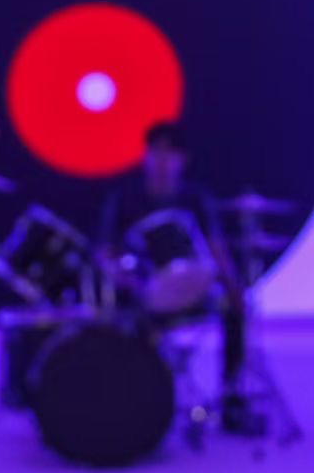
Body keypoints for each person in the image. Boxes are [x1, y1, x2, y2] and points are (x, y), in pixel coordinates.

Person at [95, 122, 263, 437]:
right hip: (144, 294)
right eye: (155, 152)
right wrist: (123, 276)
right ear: (145, 156)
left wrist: (234, 287)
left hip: (196, 289)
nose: (162, 160)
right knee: (127, 322)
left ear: (182, 160)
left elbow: (215, 248)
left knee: (233, 308)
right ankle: (145, 400)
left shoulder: (195, 198)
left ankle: (232, 396)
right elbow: (106, 252)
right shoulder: (125, 198)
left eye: (169, 153)